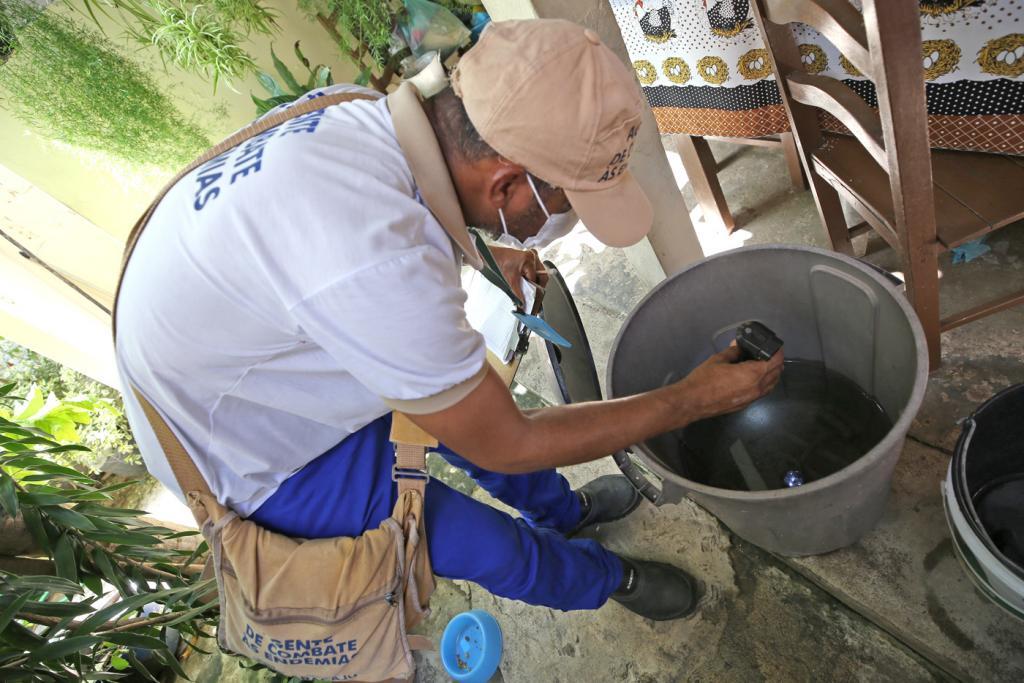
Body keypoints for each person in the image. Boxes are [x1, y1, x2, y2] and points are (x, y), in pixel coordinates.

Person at [115, 18, 782, 622]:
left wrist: (484, 251)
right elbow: (507, 441)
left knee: (473, 406)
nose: (566, 222)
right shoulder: (375, 258)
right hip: (254, 451)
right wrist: (690, 400)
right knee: (484, 541)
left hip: (273, 351)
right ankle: (607, 578)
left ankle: (565, 511)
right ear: (506, 185)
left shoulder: (366, 119)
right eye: (567, 203)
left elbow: (390, 231)